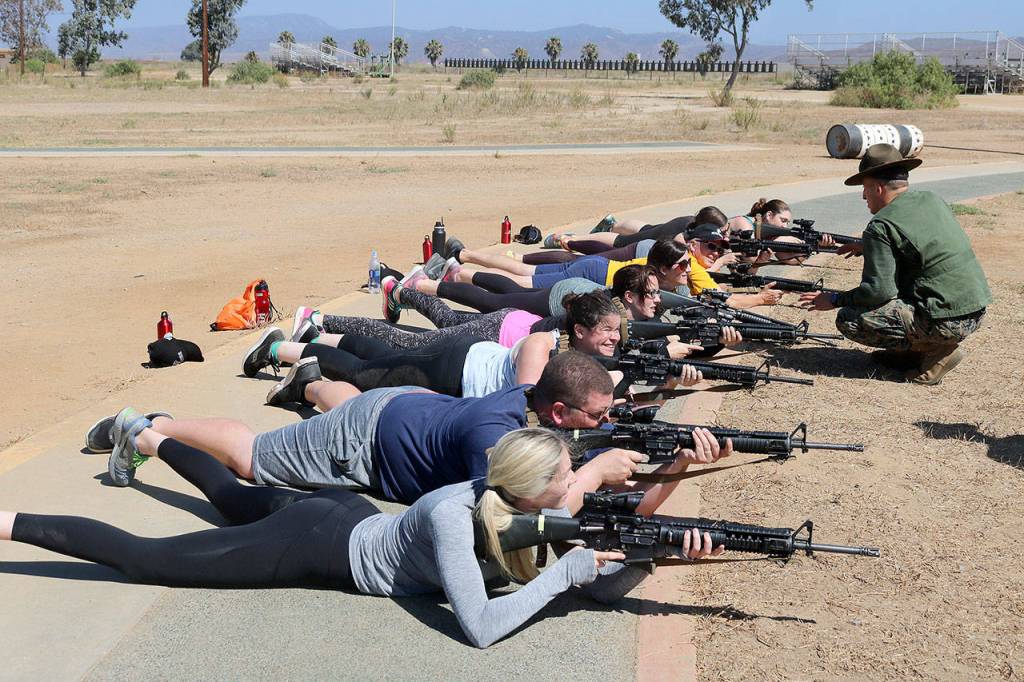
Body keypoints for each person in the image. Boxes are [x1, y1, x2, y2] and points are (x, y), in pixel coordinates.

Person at [3, 427, 728, 649]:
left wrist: (655, 551)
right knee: (147, 558)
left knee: (229, 497)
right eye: (565, 478)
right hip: (319, 545)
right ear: (526, 491)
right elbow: (479, 627)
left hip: (346, 511)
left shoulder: (526, 505)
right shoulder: (453, 516)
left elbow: (597, 567)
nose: (577, 485)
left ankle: (146, 435)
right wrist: (564, 575)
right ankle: (8, 521)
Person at [87, 352, 685, 506]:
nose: (604, 424)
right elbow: (521, 509)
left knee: (345, 404)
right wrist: (596, 472)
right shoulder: (496, 439)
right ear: (556, 413)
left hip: (403, 409)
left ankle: (310, 383)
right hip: (367, 439)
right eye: (597, 417)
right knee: (253, 458)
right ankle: (149, 425)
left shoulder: (530, 397)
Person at [244, 292, 703, 401]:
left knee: (382, 355)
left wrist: (661, 386)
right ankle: (281, 349)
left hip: (462, 370)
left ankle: (313, 337)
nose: (614, 340)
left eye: (617, 334)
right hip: (457, 366)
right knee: (366, 373)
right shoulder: (543, 344)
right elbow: (525, 397)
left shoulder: (590, 358)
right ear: (580, 330)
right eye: (607, 332)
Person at [798, 143, 991, 385]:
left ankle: (937, 351)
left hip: (947, 321)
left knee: (849, 318)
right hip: (975, 310)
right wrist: (868, 246)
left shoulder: (881, 225)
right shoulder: (932, 199)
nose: (863, 196)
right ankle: (913, 353)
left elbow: (878, 292)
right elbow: (924, 244)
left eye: (865, 189)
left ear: (878, 188)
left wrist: (835, 299)